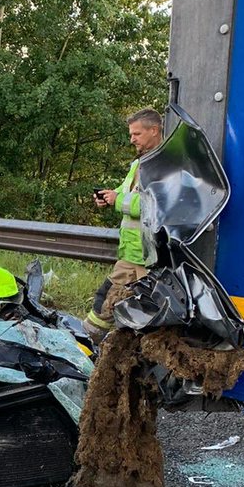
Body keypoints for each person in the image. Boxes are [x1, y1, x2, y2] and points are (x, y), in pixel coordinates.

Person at [84, 108, 164, 346]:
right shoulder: (138, 164)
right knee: (104, 303)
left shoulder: (164, 164)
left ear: (154, 130)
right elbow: (125, 192)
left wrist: (117, 200)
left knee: (152, 317)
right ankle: (85, 346)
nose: (132, 139)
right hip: (131, 254)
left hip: (153, 259)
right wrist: (109, 196)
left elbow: (155, 205)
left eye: (137, 134)